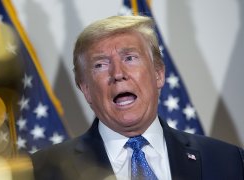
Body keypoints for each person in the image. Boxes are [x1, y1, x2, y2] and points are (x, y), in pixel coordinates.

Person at [30, 15, 244, 180]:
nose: (118, 74)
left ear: (158, 74)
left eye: (130, 58)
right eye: (100, 65)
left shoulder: (227, 160)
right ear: (86, 89)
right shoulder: (44, 170)